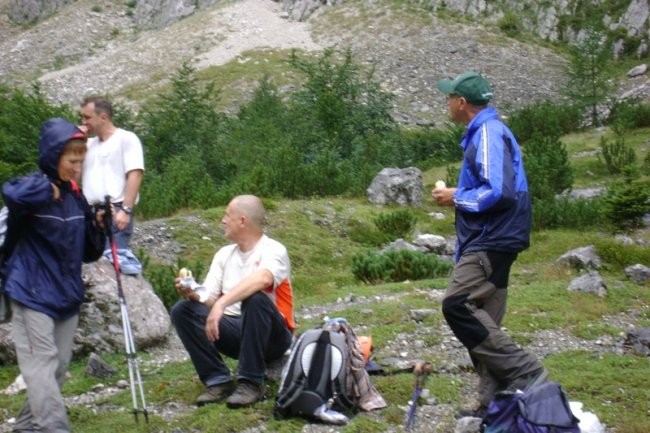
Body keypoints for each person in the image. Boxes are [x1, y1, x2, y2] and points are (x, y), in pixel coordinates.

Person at [431, 71, 547, 417]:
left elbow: (498, 190)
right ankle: (492, 401)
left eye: (450, 96)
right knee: (486, 320)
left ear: (462, 103)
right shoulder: (488, 132)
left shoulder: (486, 132)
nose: (447, 101)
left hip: (492, 237)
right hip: (499, 236)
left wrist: (456, 196)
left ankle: (525, 370)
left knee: (457, 305)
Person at [2, 118, 105, 433]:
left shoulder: (76, 196)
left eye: (81, 160)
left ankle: (25, 426)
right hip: (30, 291)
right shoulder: (32, 191)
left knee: (57, 368)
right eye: (71, 160)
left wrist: (99, 226)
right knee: (41, 365)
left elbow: (88, 252)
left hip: (66, 293)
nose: (77, 167)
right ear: (52, 156)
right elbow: (12, 193)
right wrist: (45, 187)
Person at [170, 195, 295, 408]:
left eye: (228, 215)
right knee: (182, 310)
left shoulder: (274, 250)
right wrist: (193, 293)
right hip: (235, 332)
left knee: (255, 299)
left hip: (273, 336)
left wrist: (221, 304)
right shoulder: (223, 255)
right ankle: (218, 380)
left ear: (243, 221)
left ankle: (251, 383)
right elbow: (208, 295)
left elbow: (264, 278)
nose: (223, 220)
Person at [80, 96, 144, 273]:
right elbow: (74, 175)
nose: (83, 122)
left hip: (114, 209)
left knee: (113, 263)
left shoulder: (126, 138)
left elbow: (135, 173)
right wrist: (77, 142)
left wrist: (126, 209)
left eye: (87, 117)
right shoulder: (89, 144)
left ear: (103, 117)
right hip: (90, 212)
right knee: (89, 263)